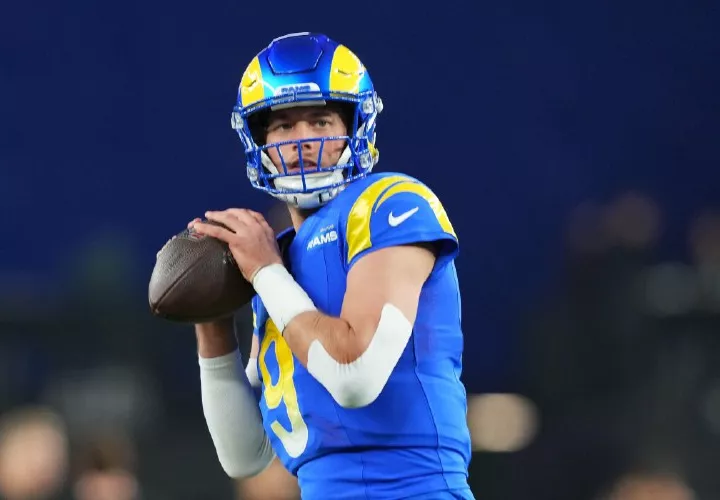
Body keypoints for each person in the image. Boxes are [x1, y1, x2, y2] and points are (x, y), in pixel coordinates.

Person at [191, 32, 473, 499]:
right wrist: (212, 325)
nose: (301, 140)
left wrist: (265, 273)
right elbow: (246, 456)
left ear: (355, 126)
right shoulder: (277, 263)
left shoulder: (390, 203)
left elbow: (355, 376)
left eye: (320, 121)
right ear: (259, 141)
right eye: (283, 126)